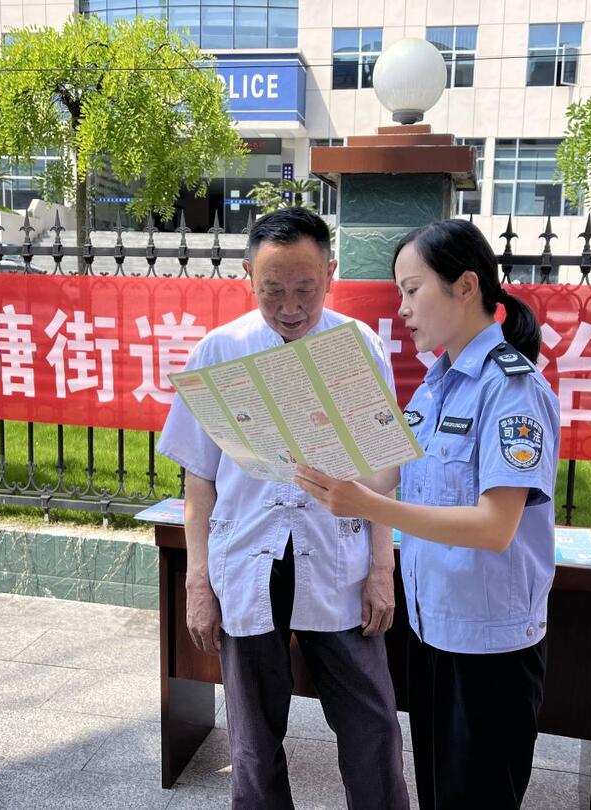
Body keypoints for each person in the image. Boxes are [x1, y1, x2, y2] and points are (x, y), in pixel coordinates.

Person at [296, 218, 560, 810]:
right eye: (400, 293)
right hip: (433, 631)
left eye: (413, 291)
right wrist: (303, 437)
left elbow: (495, 526)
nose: (403, 309)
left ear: (465, 286)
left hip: (490, 648)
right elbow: (382, 473)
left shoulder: (511, 389)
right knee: (440, 796)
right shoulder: (435, 387)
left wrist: (370, 506)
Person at [157, 207, 410, 810]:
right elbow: (199, 479)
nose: (290, 306)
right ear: (248, 276)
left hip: (337, 556)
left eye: (305, 288)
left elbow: (382, 471)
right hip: (249, 555)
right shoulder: (220, 350)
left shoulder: (358, 346)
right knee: (251, 735)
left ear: (331, 273)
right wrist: (198, 581)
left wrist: (382, 568)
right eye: (273, 290)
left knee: (372, 724)